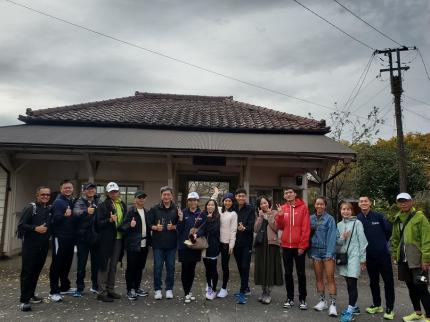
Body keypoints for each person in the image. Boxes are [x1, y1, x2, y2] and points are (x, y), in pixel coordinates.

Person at [390, 192, 430, 322]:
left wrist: (426, 259)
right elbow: (395, 239)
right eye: (400, 201)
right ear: (398, 203)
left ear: (411, 202)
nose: (403, 203)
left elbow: (426, 239)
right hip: (403, 260)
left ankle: (429, 316)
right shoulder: (397, 219)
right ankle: (417, 313)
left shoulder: (420, 217)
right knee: (411, 287)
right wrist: (395, 255)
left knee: (421, 287)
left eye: (405, 200)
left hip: (417, 260)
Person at [357, 195, 395, 320]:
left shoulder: (379, 216)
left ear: (370, 203)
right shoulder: (358, 219)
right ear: (359, 204)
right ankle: (377, 304)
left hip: (383, 254)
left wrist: (381, 243)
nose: (363, 203)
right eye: (361, 201)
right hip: (369, 256)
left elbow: (388, 231)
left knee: (388, 281)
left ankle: (390, 308)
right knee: (373, 282)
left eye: (365, 201)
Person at [275, 186, 310, 310]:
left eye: (290, 192)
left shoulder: (303, 207)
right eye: (286, 193)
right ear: (284, 196)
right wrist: (279, 215)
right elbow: (279, 226)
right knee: (288, 273)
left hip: (299, 247)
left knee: (301, 273)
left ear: (295, 194)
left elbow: (306, 228)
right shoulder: (283, 208)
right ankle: (289, 298)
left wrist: (302, 246)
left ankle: (303, 298)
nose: (288, 194)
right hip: (286, 246)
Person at [18, 186, 51, 312]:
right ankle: (24, 300)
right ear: (37, 195)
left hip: (43, 246)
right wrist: (35, 228)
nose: (45, 197)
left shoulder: (48, 208)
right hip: (30, 246)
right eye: (43, 194)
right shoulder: (30, 207)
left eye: (47, 195)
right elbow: (21, 226)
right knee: (27, 272)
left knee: (36, 271)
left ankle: (31, 295)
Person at [336, 202, 368, 322]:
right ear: (341, 211)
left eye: (348, 209)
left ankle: (350, 310)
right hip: (344, 257)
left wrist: (362, 259)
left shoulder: (357, 223)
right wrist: (343, 237)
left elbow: (363, 242)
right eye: (343, 209)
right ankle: (353, 307)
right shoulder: (338, 224)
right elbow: (338, 242)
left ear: (352, 211)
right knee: (348, 283)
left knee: (352, 283)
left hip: (355, 256)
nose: (346, 211)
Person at [95, 182, 126, 302]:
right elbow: (98, 224)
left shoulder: (122, 204)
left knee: (113, 266)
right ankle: (101, 292)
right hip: (106, 240)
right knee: (104, 265)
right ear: (107, 193)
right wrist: (109, 220)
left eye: (116, 191)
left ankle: (110, 290)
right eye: (112, 192)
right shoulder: (103, 205)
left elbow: (124, 220)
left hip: (118, 239)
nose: (114, 193)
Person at [308, 196, 338, 317]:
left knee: (330, 277)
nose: (319, 206)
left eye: (322, 204)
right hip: (315, 251)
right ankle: (322, 301)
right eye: (317, 204)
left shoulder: (330, 219)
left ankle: (333, 304)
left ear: (325, 206)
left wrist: (330, 253)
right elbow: (307, 235)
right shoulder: (310, 218)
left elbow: (332, 237)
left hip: (327, 251)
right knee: (318, 277)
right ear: (314, 205)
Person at [148, 186, 179, 300]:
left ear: (171, 196)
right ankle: (157, 290)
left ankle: (169, 289)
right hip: (158, 245)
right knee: (158, 268)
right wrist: (155, 227)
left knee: (171, 267)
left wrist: (174, 226)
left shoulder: (176, 209)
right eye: (164, 194)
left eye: (168, 194)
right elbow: (149, 224)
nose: (166, 197)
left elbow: (181, 225)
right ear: (161, 195)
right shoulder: (154, 209)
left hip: (171, 244)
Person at [120, 190, 151, 300]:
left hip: (144, 244)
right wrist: (130, 224)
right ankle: (130, 289)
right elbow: (122, 227)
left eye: (143, 197)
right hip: (133, 244)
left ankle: (137, 287)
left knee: (140, 267)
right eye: (139, 197)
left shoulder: (147, 212)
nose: (141, 199)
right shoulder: (130, 211)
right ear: (135, 199)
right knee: (131, 267)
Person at [49, 179, 77, 302]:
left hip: (70, 237)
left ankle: (64, 287)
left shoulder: (70, 201)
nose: (68, 189)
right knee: (57, 264)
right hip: (60, 237)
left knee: (67, 262)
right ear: (61, 189)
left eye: (70, 187)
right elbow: (54, 221)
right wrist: (64, 216)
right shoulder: (58, 202)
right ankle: (54, 291)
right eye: (65, 187)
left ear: (72, 189)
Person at [177, 192, 207, 303]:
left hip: (194, 245)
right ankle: (186, 293)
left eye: (194, 200)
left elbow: (204, 228)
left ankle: (189, 291)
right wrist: (180, 219)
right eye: (190, 200)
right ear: (188, 201)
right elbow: (179, 230)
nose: (192, 202)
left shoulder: (201, 214)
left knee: (192, 269)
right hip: (183, 245)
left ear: (198, 201)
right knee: (185, 269)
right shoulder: (183, 213)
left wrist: (197, 235)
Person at [73, 182, 101, 297]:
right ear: (84, 190)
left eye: (92, 189)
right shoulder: (80, 201)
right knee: (81, 264)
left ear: (95, 190)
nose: (91, 191)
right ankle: (79, 288)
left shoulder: (99, 201)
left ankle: (95, 286)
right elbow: (75, 213)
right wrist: (86, 211)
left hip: (96, 237)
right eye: (88, 189)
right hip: (83, 238)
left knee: (96, 264)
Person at [253, 196, 283, 305]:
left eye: (265, 203)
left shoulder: (275, 213)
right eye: (261, 204)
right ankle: (263, 292)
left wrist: (269, 216)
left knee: (270, 268)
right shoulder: (259, 214)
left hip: (271, 244)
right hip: (261, 245)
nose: (263, 205)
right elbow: (255, 229)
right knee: (262, 268)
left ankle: (268, 293)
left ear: (268, 203)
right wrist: (260, 217)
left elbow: (276, 227)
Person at [233, 188, 255, 304]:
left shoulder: (250, 209)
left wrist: (244, 228)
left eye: (243, 196)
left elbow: (252, 225)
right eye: (239, 196)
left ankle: (242, 292)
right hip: (236, 242)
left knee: (245, 266)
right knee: (240, 266)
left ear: (245, 197)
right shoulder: (233, 208)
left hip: (246, 242)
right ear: (236, 197)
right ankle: (245, 287)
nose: (241, 198)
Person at [216, 192, 237, 299]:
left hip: (226, 243)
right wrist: (215, 194)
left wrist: (231, 245)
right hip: (216, 242)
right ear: (223, 201)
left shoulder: (233, 214)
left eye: (229, 201)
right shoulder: (219, 210)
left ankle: (224, 288)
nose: (227, 202)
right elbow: (212, 203)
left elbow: (233, 231)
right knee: (213, 264)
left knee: (224, 266)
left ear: (232, 202)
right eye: (226, 200)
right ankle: (211, 285)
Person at [202, 199, 221, 301]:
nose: (210, 206)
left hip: (213, 246)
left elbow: (213, 231)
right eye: (208, 205)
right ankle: (209, 286)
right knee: (207, 269)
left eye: (212, 205)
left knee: (213, 269)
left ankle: (214, 289)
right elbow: (201, 229)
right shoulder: (203, 216)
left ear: (215, 207)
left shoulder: (217, 217)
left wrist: (208, 220)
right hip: (204, 246)